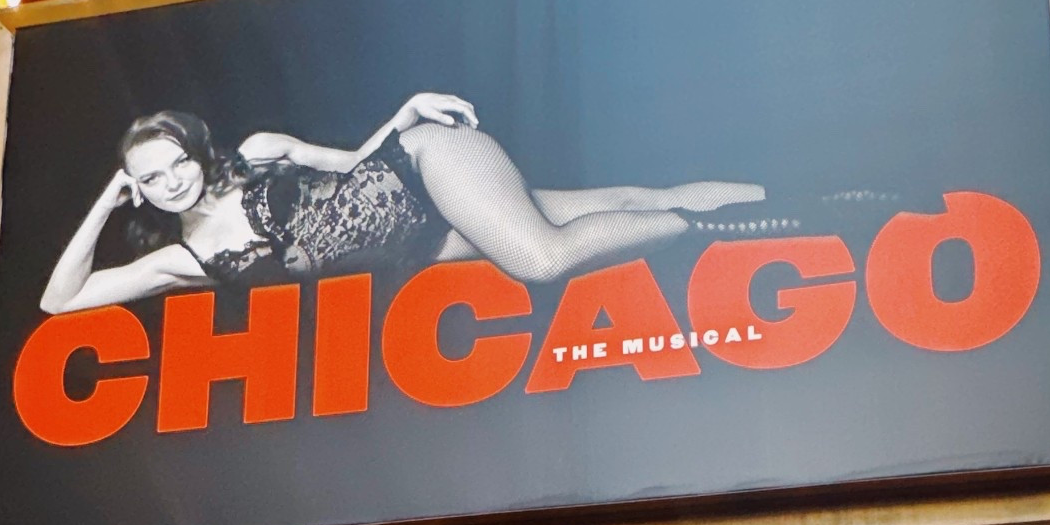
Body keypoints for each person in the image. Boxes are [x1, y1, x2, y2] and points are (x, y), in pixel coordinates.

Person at [42, 103, 770, 313]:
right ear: (138, 186)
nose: (171, 182)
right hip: (429, 241)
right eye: (150, 178)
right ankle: (795, 203)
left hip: (424, 171)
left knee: (543, 259)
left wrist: (408, 113)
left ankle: (734, 220)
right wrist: (107, 201)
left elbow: (354, 164)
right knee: (626, 201)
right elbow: (60, 298)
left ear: (198, 152)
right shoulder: (190, 259)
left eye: (177, 163)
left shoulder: (260, 151)